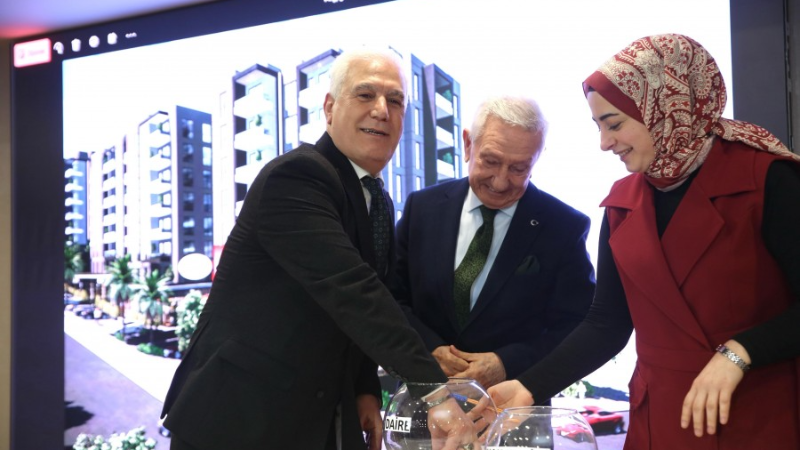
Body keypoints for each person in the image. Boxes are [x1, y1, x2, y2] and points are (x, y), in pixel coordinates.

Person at [488, 34, 800, 450]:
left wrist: (740, 352)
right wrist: (529, 386)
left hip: (757, 414)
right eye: (598, 126)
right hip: (659, 419)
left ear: (665, 107)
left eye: (614, 124)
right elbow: (606, 323)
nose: (604, 143)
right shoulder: (621, 203)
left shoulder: (768, 179)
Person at [161, 48, 481, 450]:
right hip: (235, 419)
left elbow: (367, 304)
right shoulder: (297, 176)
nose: (382, 110)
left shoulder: (377, 200)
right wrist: (433, 392)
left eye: (395, 100)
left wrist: (365, 388)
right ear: (329, 108)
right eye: (365, 95)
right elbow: (353, 291)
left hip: (312, 417)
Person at [391, 96, 595, 393]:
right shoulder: (421, 208)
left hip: (512, 405)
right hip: (423, 395)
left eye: (519, 168)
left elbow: (577, 325)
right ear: (467, 145)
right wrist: (429, 347)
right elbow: (390, 297)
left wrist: (506, 363)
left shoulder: (564, 227)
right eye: (490, 161)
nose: (500, 182)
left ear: (536, 160)